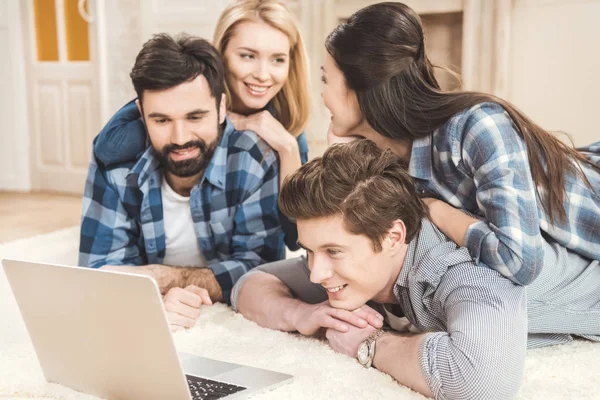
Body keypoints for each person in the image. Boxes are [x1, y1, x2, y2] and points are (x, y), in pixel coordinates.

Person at [232, 140, 600, 400]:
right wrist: (302, 313)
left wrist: (369, 345)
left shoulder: (464, 266)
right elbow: (251, 284)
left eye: (333, 252)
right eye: (310, 251)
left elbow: (480, 384)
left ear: (394, 237)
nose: (316, 274)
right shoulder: (363, 257)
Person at [322, 2, 600, 285]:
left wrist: (433, 209)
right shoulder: (386, 162)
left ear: (360, 88)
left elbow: (518, 260)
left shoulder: (476, 127)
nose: (320, 94)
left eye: (325, 80)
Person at [79, 33, 284, 331]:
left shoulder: (253, 158)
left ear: (222, 108)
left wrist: (165, 278)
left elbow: (264, 269)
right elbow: (97, 275)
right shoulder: (116, 165)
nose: (180, 138)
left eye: (195, 117)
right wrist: (148, 300)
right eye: (161, 120)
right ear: (141, 113)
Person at [92, 0, 311, 250]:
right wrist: (221, 120)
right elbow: (106, 149)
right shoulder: (183, 94)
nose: (263, 74)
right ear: (222, 55)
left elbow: (296, 239)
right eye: (247, 56)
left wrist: (288, 149)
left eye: (277, 60)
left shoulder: (287, 124)